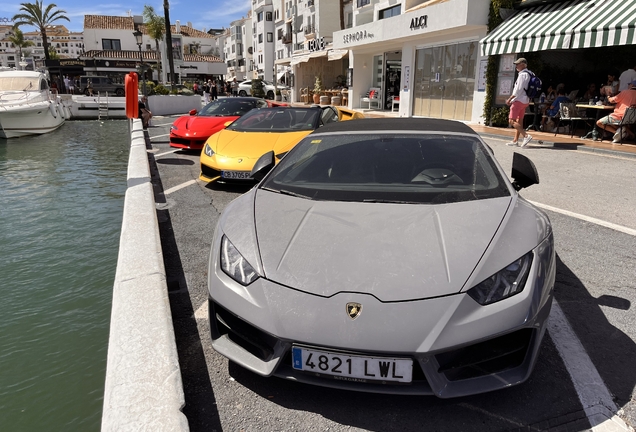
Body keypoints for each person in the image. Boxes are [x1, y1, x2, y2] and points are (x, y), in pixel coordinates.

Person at [505, 58, 533, 148]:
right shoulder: (530, 74)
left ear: (524, 64)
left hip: (518, 100)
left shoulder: (522, 75)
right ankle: (515, 140)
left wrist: (510, 99)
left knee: (511, 121)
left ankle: (526, 136)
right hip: (525, 101)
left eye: (518, 64)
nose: (516, 66)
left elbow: (518, 90)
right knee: (519, 121)